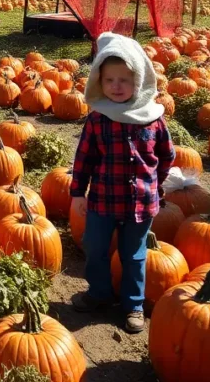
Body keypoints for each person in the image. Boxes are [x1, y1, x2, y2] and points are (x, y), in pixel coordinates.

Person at [70, 32, 175, 333]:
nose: (116, 86)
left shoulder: (153, 119)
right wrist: (78, 193)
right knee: (95, 246)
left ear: (139, 80)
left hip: (142, 203)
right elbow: (84, 159)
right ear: (99, 82)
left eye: (125, 80)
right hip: (102, 200)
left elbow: (167, 156)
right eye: (109, 80)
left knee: (134, 254)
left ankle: (133, 305)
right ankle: (99, 293)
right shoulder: (98, 119)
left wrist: (158, 182)